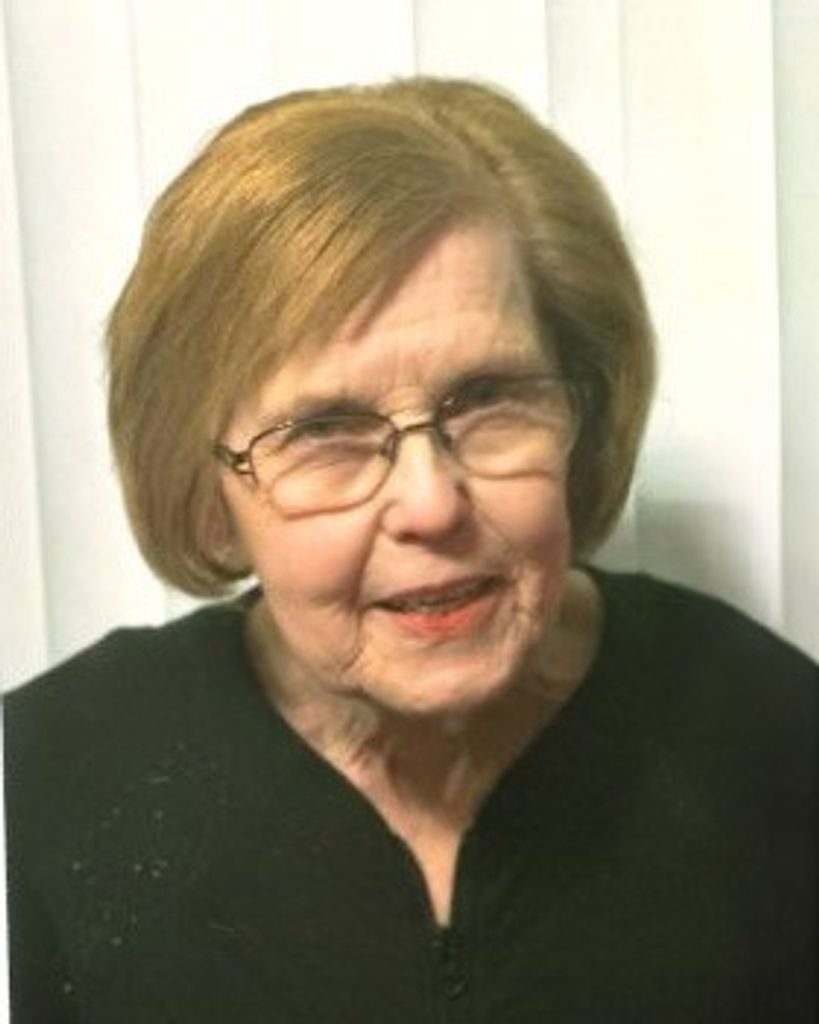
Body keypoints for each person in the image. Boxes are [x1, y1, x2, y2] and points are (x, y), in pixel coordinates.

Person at [4, 77, 816, 1023]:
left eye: (490, 398)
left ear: (581, 416)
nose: (431, 505)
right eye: (323, 430)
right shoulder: (47, 781)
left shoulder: (765, 728)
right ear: (208, 486)